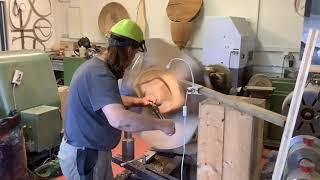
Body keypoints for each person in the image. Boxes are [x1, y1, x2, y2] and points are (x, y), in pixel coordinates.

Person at [58, 19, 176, 180]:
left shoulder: (97, 67)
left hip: (92, 150)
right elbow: (119, 120)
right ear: (128, 50)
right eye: (134, 54)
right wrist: (161, 125)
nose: (132, 60)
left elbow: (106, 100)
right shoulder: (100, 74)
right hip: (86, 156)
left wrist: (138, 101)